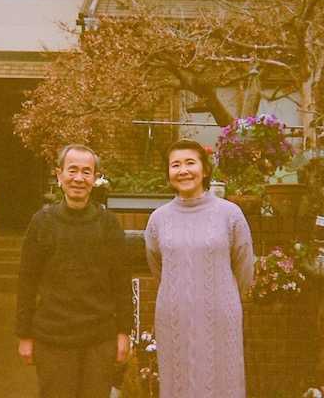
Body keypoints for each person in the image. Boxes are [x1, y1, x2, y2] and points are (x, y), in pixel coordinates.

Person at [16, 144, 132, 398]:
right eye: (72, 170)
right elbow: (27, 282)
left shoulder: (108, 224)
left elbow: (122, 282)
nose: (79, 178)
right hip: (52, 340)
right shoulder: (41, 222)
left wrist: (124, 332)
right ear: (59, 175)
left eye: (86, 172)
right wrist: (24, 335)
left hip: (99, 340)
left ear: (95, 178)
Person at [144, 139, 254, 398]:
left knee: (223, 382)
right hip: (174, 317)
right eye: (175, 165)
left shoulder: (230, 214)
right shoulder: (158, 219)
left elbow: (244, 266)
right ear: (168, 172)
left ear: (205, 170)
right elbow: (157, 266)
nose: (183, 170)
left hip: (220, 316)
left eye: (190, 163)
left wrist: (222, 296)